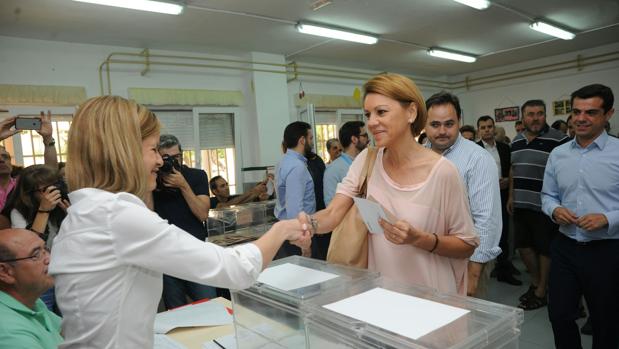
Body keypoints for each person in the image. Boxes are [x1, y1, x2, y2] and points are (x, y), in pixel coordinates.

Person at [48, 96, 310, 349]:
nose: (161, 161)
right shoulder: (114, 215)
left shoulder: (84, 213)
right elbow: (236, 269)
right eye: (153, 150)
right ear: (124, 153)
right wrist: (283, 229)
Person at [304, 74, 479, 296]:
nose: (371, 122)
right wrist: (306, 224)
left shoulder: (443, 173)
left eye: (381, 112)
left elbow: (467, 244)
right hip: (381, 298)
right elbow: (333, 213)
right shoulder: (366, 160)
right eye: (368, 114)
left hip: (431, 301)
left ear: (411, 112)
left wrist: (420, 239)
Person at [542, 84, 618, 349]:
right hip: (565, 247)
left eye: (591, 112)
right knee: (559, 314)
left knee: (606, 321)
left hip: (607, 249)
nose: (581, 118)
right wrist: (554, 210)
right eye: (576, 112)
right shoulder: (558, 154)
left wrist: (608, 218)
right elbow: (547, 196)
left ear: (609, 114)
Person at [425, 92, 502, 298]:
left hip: (467, 258)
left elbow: (486, 218)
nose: (442, 131)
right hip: (427, 253)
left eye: (449, 124)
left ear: (460, 121)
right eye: (434, 124)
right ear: (424, 124)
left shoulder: (477, 159)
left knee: (463, 324)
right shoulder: (419, 154)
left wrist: (474, 273)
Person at [507, 99, 569, 310]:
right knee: (523, 246)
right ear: (523, 117)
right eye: (531, 114)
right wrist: (511, 196)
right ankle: (536, 282)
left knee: (544, 248)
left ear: (545, 115)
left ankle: (542, 290)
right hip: (521, 203)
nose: (535, 118)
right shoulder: (516, 140)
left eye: (540, 113)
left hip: (545, 206)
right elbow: (513, 170)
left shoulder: (560, 140)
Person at [152, 134, 216, 309]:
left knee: (210, 305)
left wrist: (183, 185)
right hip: (167, 256)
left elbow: (202, 214)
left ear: (182, 154)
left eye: (176, 157)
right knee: (176, 311)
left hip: (196, 253)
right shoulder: (153, 180)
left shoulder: (196, 176)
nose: (173, 162)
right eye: (167, 158)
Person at [10, 165, 69, 311]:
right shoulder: (18, 212)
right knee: (46, 317)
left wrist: (72, 216)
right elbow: (26, 246)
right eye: (44, 190)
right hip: (40, 276)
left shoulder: (66, 204)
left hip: (65, 272)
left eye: (54, 187)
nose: (52, 193)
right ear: (29, 194)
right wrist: (43, 210)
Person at [476, 116, 521, 286]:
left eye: (489, 126)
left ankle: (504, 269)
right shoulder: (474, 149)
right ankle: (482, 270)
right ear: (478, 130)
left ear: (494, 128)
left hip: (502, 196)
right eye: (483, 127)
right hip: (482, 198)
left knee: (503, 233)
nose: (487, 130)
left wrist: (510, 192)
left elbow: (511, 172)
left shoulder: (504, 148)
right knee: (483, 233)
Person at [0, 228, 63, 349]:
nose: (49, 259)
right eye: (36, 255)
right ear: (5, 272)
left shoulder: (29, 300)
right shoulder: (8, 331)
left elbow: (69, 331)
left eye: (45, 249)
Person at [0, 112, 58, 212]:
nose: (1, 160)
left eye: (5, 157)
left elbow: (50, 172)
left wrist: (48, 139)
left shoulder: (22, 183)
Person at [274, 121, 316, 257]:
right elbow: (295, 211)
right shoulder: (297, 167)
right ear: (302, 140)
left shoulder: (283, 161)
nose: (312, 143)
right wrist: (305, 248)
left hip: (289, 232)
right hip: (297, 237)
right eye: (310, 138)